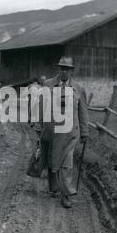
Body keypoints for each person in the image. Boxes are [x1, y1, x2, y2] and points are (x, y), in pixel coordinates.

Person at [40, 56, 89, 208]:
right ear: (58, 69)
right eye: (61, 68)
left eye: (67, 69)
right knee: (51, 159)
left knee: (66, 163)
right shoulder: (48, 85)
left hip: (70, 133)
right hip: (51, 131)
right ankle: (53, 187)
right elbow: (41, 107)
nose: (64, 71)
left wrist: (84, 131)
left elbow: (83, 112)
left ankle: (66, 194)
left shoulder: (79, 89)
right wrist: (38, 126)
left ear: (71, 71)